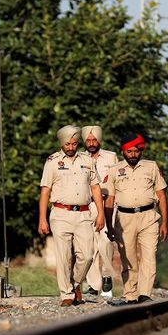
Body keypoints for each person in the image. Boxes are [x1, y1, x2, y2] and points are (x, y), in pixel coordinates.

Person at [38, 125, 105, 307]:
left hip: (84, 213)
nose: (71, 147)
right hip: (60, 214)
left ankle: (75, 283)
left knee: (88, 255)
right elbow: (45, 190)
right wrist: (42, 219)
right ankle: (66, 293)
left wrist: (101, 214)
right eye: (68, 144)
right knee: (64, 255)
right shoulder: (52, 161)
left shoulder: (86, 160)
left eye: (74, 143)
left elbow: (95, 188)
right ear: (62, 144)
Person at [104, 133, 167, 304]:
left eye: (136, 151)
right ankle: (130, 293)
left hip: (149, 217)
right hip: (124, 218)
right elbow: (109, 199)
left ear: (140, 151)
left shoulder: (151, 167)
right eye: (129, 151)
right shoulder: (114, 170)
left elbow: (161, 194)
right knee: (128, 257)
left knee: (149, 255)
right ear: (123, 151)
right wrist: (109, 225)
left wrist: (165, 223)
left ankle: (145, 293)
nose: (133, 155)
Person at [81, 125, 119, 298]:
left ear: (99, 140)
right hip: (87, 204)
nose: (91, 143)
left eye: (94, 140)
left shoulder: (111, 157)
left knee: (105, 241)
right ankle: (93, 285)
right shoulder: (80, 158)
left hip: (107, 203)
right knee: (89, 245)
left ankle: (107, 275)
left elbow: (117, 179)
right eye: (88, 140)